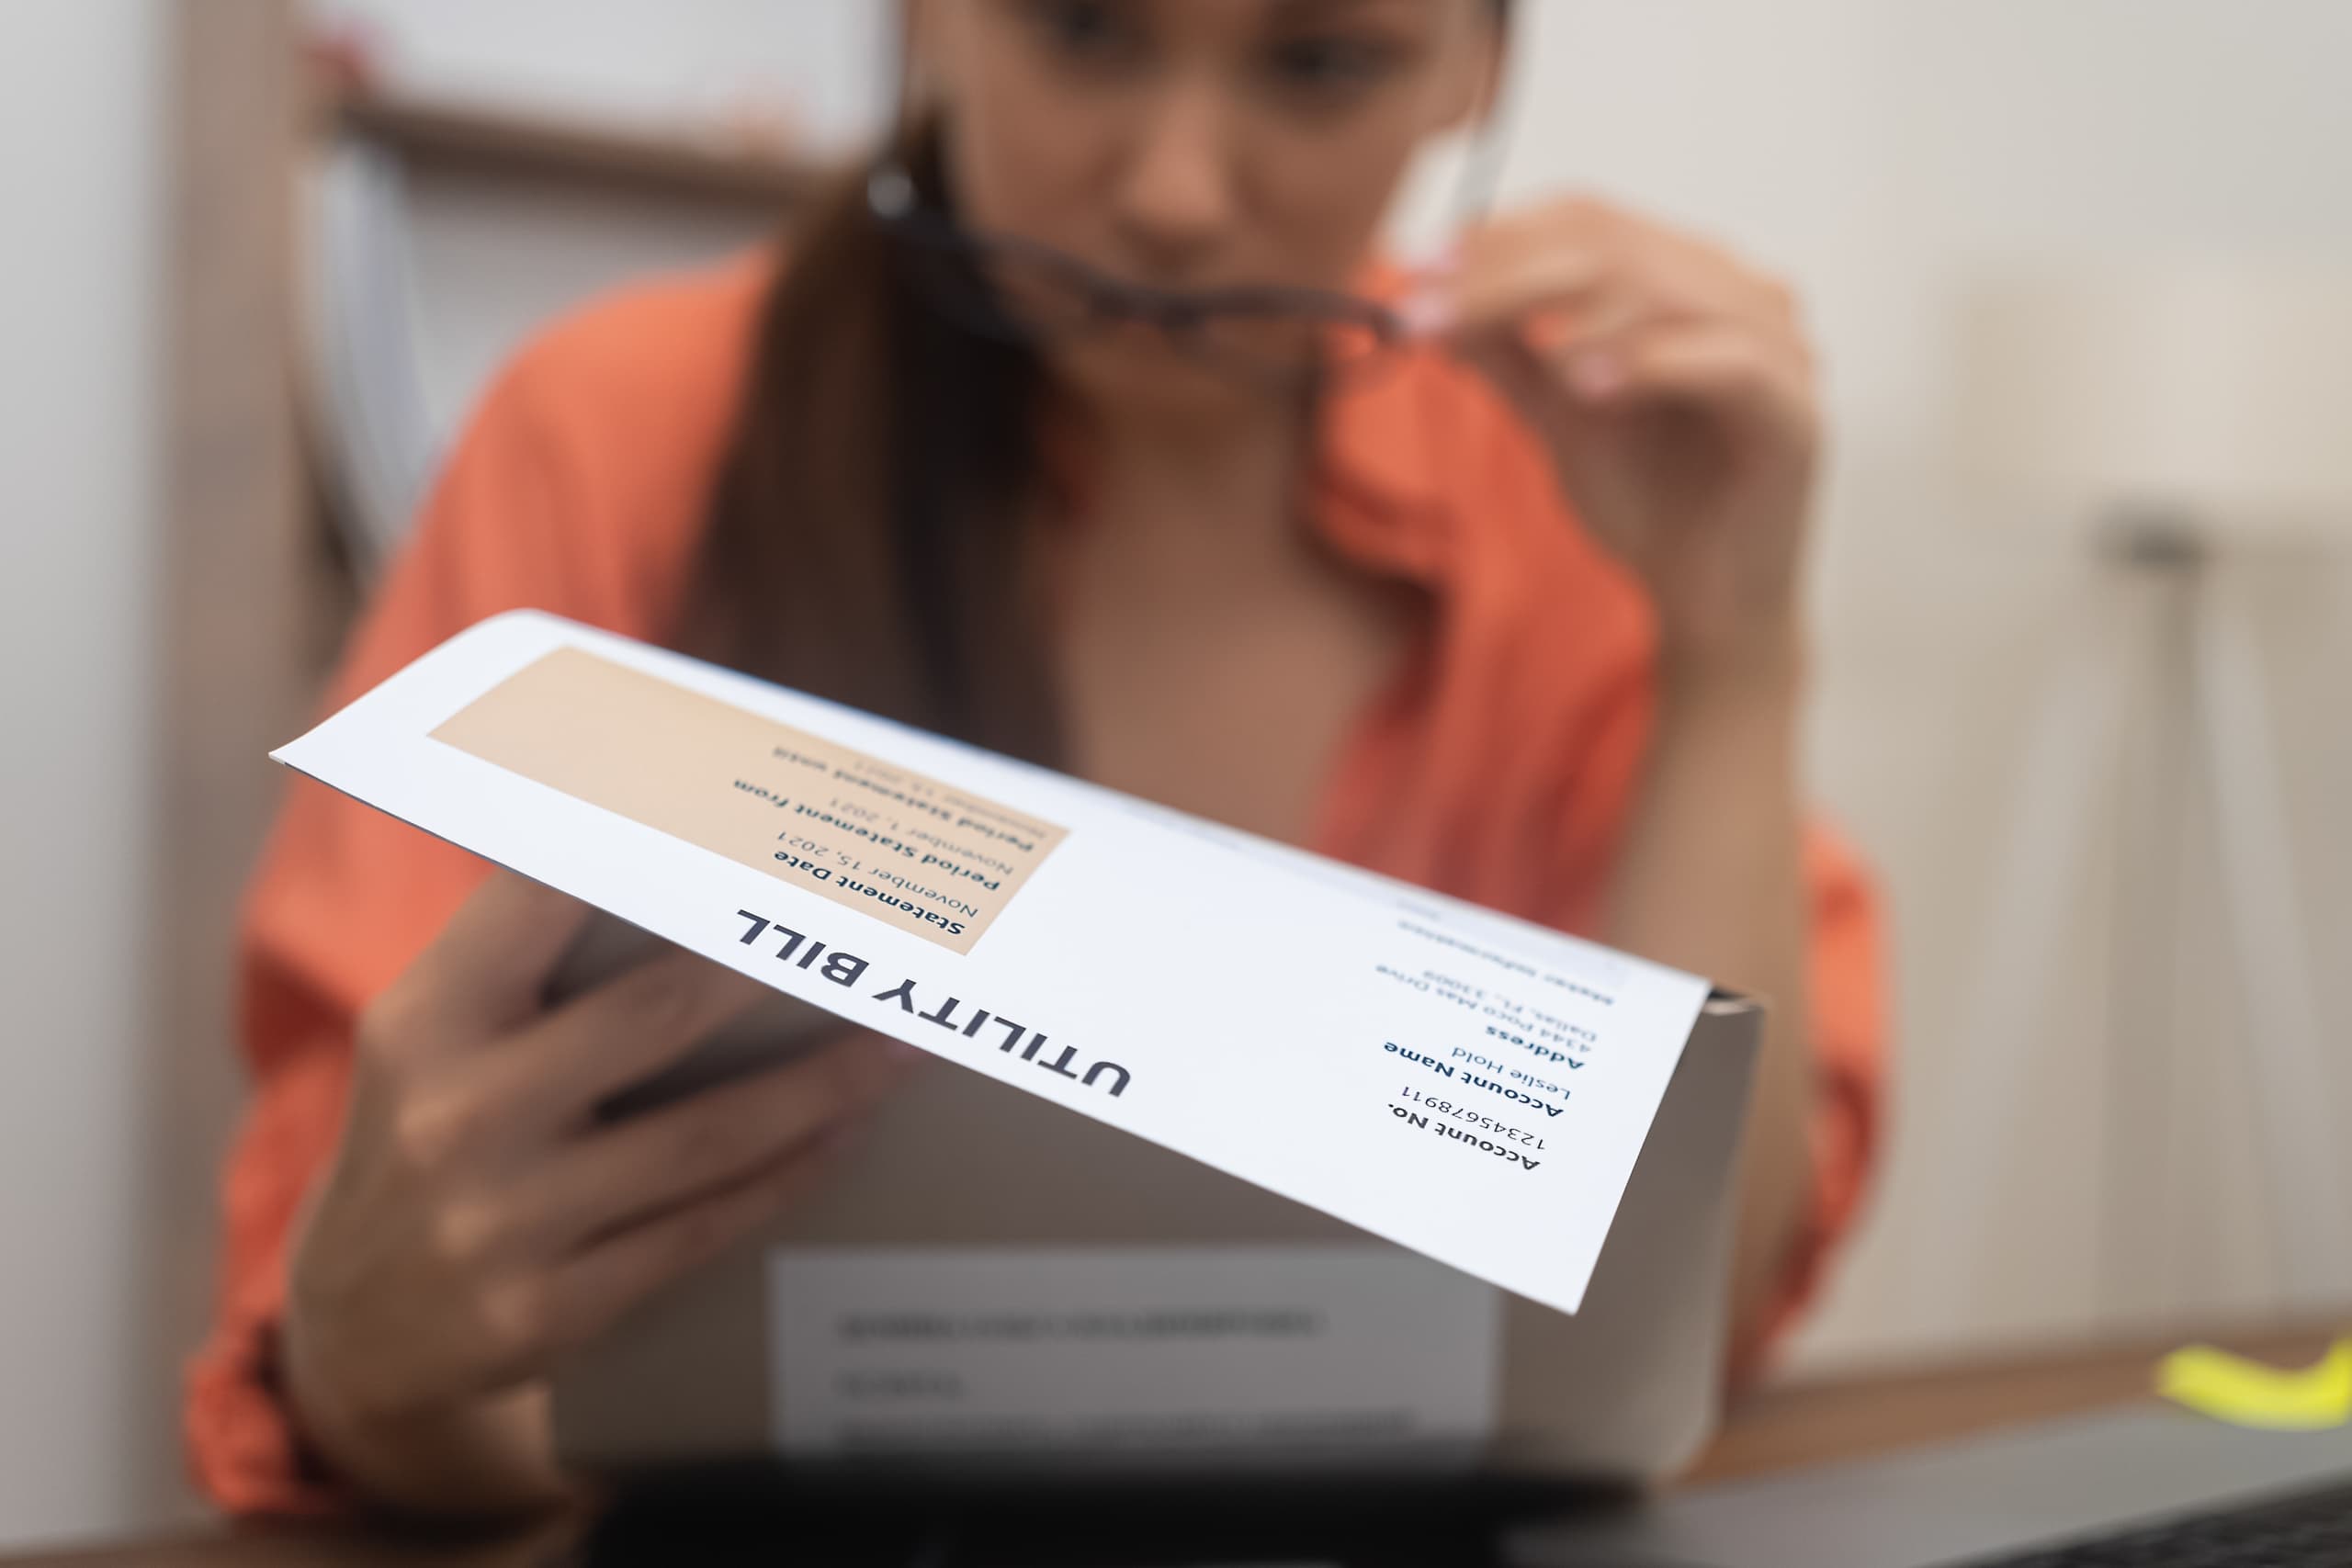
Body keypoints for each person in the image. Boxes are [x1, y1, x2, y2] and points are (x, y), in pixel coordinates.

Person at [189, 0, 1884, 1519]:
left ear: (1477, 72)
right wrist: (370, 1367)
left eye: (1317, 63)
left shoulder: (1579, 510)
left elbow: (1683, 1316)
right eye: (1085, 29)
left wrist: (1733, 655)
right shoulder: (612, 434)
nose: (1173, 193)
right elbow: (391, 1310)